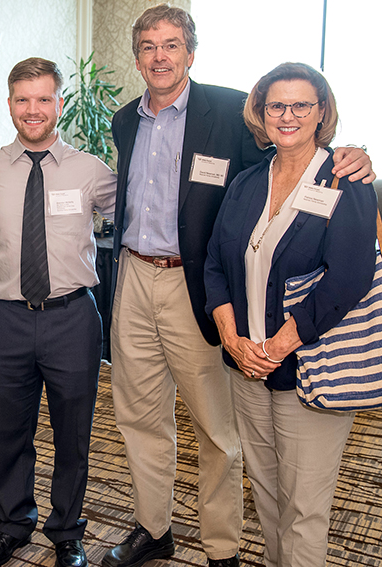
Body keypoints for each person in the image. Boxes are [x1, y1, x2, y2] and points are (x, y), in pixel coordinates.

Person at [103, 6, 375, 567]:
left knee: (217, 427)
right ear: (137, 58)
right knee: (138, 415)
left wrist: (353, 154)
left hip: (197, 282)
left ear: (191, 52)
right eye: (149, 46)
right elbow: (260, 185)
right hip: (135, 274)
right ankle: (153, 528)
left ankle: (222, 546)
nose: (160, 56)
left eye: (171, 44)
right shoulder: (125, 118)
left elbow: (294, 157)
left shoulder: (230, 111)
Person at [204, 62, 377, 567]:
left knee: (305, 508)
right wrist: (233, 340)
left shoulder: (346, 180)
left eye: (302, 104)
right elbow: (216, 261)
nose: (288, 115)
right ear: (260, 112)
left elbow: (349, 277)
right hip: (247, 365)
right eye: (276, 104)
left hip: (309, 365)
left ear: (322, 111)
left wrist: (279, 346)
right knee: (269, 496)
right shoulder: (247, 181)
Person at [0, 57, 116, 567]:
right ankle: (12, 524)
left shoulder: (92, 171)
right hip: (7, 318)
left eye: (43, 99)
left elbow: (140, 216)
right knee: (9, 430)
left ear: (59, 103)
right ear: (10, 103)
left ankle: (66, 531)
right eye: (22, 99)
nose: (33, 110)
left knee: (73, 432)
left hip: (72, 318)